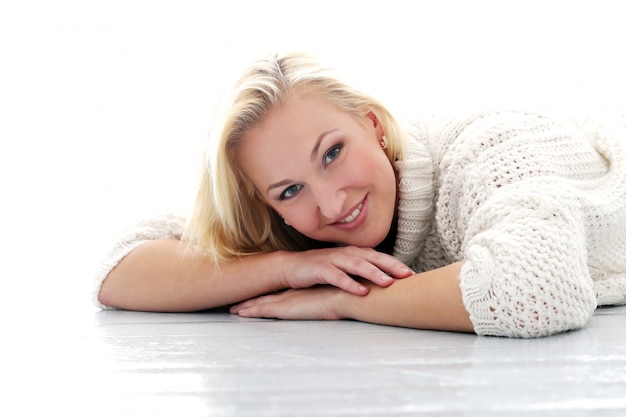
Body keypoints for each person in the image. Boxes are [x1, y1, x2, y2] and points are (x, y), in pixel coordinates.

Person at [94, 51, 626, 338]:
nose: (330, 204)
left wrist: (343, 300)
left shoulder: (488, 147)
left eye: (331, 153)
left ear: (373, 124)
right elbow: (121, 270)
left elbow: (536, 293)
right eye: (290, 189)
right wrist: (286, 268)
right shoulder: (296, 229)